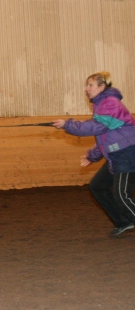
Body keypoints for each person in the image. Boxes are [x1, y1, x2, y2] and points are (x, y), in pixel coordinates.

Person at [53, 71, 135, 237]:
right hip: (117, 153)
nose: (86, 89)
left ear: (102, 86)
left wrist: (67, 125)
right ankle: (124, 221)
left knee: (121, 195)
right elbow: (104, 137)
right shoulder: (102, 104)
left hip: (126, 153)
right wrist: (93, 155)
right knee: (98, 186)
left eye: (90, 85)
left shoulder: (110, 103)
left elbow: (96, 127)